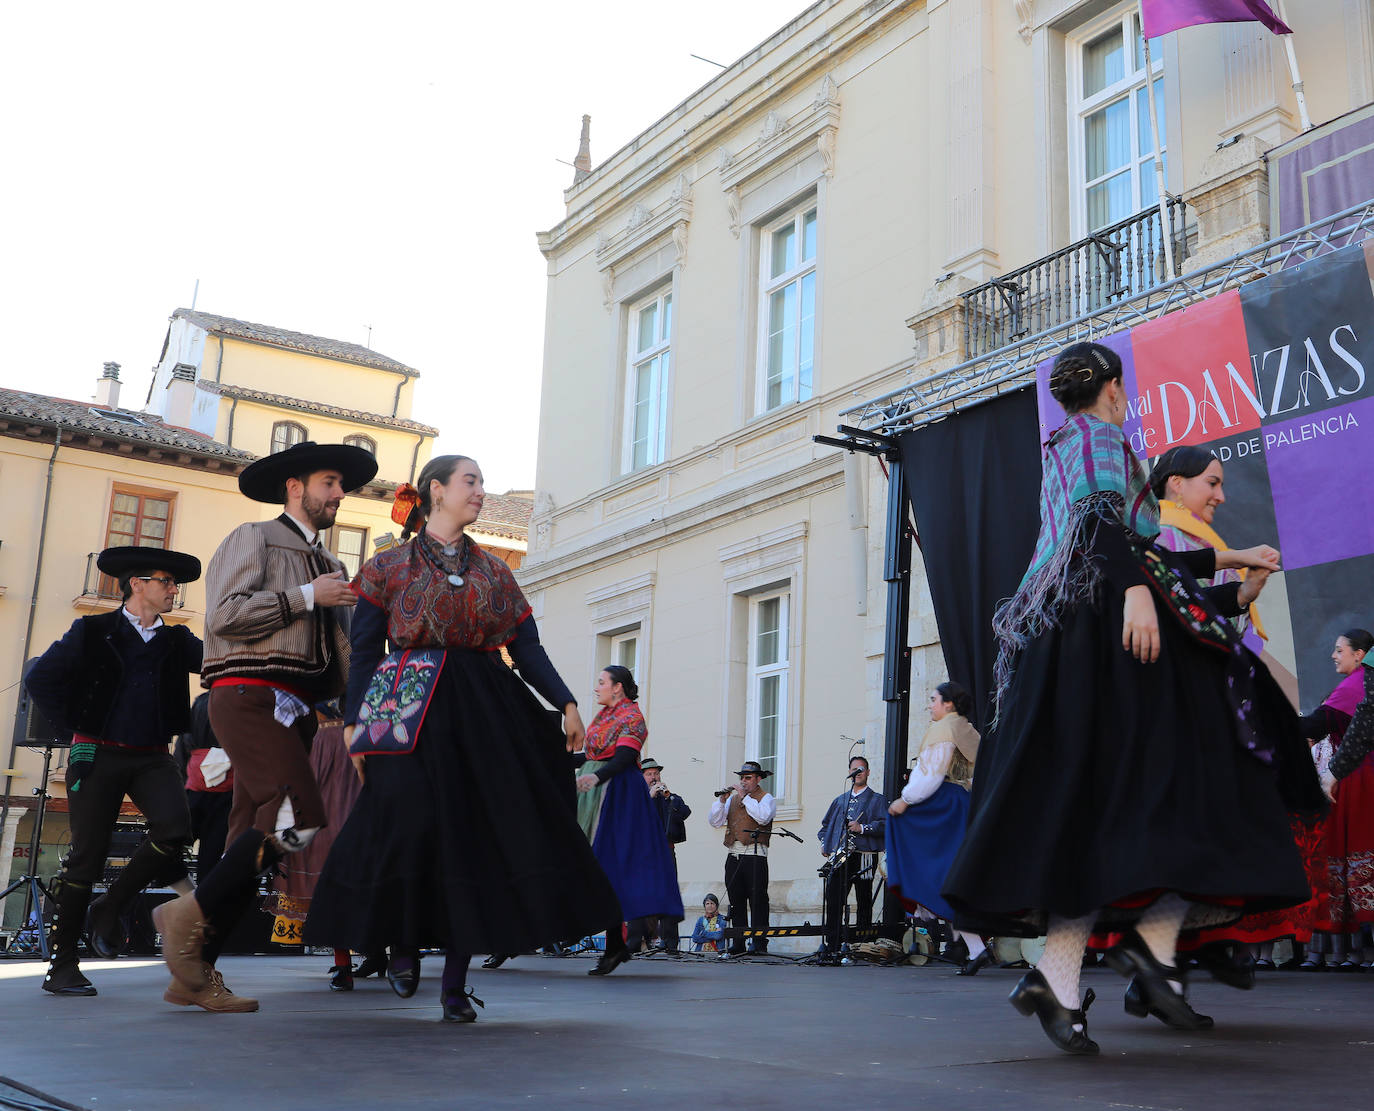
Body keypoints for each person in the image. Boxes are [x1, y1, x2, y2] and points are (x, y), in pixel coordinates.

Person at [942, 341, 1322, 1055]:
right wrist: (1139, 597)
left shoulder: (1078, 444)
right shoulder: (1095, 437)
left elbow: (1135, 548)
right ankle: (1126, 957)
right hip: (1100, 638)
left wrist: (1230, 564)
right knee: (1166, 796)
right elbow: (1101, 532)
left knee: (1120, 807)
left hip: (1090, 633)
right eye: (1212, 482)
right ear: (1114, 387)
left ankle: (1094, 967)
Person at [304, 455, 623, 1021]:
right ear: (436, 491)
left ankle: (454, 984)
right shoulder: (387, 566)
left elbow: (525, 647)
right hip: (406, 701)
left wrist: (568, 701)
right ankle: (399, 940)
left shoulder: (495, 571)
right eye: (470, 482)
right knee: (403, 819)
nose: (480, 492)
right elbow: (366, 652)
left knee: (473, 838)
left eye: (481, 483)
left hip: (480, 707)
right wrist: (356, 722)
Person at [154, 440, 376, 1014]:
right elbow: (223, 616)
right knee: (301, 818)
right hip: (247, 695)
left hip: (298, 709)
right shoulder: (251, 538)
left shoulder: (333, 566)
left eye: (341, 486)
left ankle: (195, 976)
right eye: (330, 482)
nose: (340, 494)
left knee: (249, 845)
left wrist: (366, 704)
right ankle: (185, 913)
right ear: (295, 487)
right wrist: (306, 596)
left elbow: (344, 653)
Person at [1148, 448, 1323, 981]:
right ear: (1176, 485)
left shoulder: (1196, 536)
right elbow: (1173, 602)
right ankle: (1173, 958)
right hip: (1182, 702)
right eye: (1213, 483)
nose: (1221, 496)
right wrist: (1235, 573)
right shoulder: (1162, 532)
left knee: (1215, 820)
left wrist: (1243, 592)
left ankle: (1181, 957)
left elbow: (1193, 604)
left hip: (1207, 698)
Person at [24, 546, 203, 996]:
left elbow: (221, 664)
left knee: (175, 826)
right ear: (137, 584)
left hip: (151, 755)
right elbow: (40, 679)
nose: (173, 590)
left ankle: (113, 903)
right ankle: (62, 965)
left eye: (174, 583)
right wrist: (76, 727)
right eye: (165, 581)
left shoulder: (177, 640)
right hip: (96, 753)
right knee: (88, 853)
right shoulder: (93, 630)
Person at [573, 666, 684, 973]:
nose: (597, 688)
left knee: (613, 867)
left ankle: (617, 944)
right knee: (601, 868)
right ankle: (615, 944)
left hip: (620, 796)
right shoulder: (605, 718)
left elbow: (622, 759)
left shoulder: (632, 717)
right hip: (596, 794)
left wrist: (595, 777)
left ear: (618, 687)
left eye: (601, 683)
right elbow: (593, 754)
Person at [886, 682, 987, 974]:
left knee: (937, 874)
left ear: (948, 704)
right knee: (948, 873)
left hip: (942, 805)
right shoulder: (966, 728)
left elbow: (930, 773)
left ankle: (970, 945)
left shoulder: (944, 730)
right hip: (960, 803)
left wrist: (905, 800)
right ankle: (960, 945)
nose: (930, 705)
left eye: (933, 700)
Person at [1300, 630, 1374, 969]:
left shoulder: (1356, 686)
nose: (1334, 655)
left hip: (1362, 782)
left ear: (1360, 655)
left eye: (1339, 649)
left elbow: (1319, 724)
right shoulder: (1357, 684)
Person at [815, 756, 887, 956]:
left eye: (861, 769)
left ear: (868, 772)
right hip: (841, 856)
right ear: (849, 772)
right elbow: (825, 826)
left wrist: (862, 827)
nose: (858, 773)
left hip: (864, 855)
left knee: (864, 898)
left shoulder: (878, 799)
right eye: (854, 769)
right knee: (834, 897)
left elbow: (886, 824)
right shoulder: (840, 800)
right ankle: (833, 944)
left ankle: (862, 945)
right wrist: (825, 843)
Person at [708, 761, 776, 955]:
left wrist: (745, 797)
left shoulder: (766, 798)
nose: (743, 782)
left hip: (755, 856)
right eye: (742, 778)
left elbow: (762, 817)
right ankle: (738, 942)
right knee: (736, 900)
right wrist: (721, 802)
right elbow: (715, 821)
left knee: (758, 901)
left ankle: (759, 943)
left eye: (747, 778)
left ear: (758, 779)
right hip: (734, 855)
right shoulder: (733, 799)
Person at [176, 692, 233, 885]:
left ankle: (189, 896)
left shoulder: (201, 702)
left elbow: (183, 745)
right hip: (230, 792)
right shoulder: (242, 699)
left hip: (194, 787)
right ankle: (202, 905)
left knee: (165, 849)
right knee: (211, 860)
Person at [639, 757, 690, 953]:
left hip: (666, 851)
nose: (654, 777)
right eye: (649, 774)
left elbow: (685, 812)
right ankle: (647, 941)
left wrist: (668, 797)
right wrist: (648, 797)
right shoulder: (638, 798)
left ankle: (670, 942)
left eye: (656, 773)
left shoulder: (671, 798)